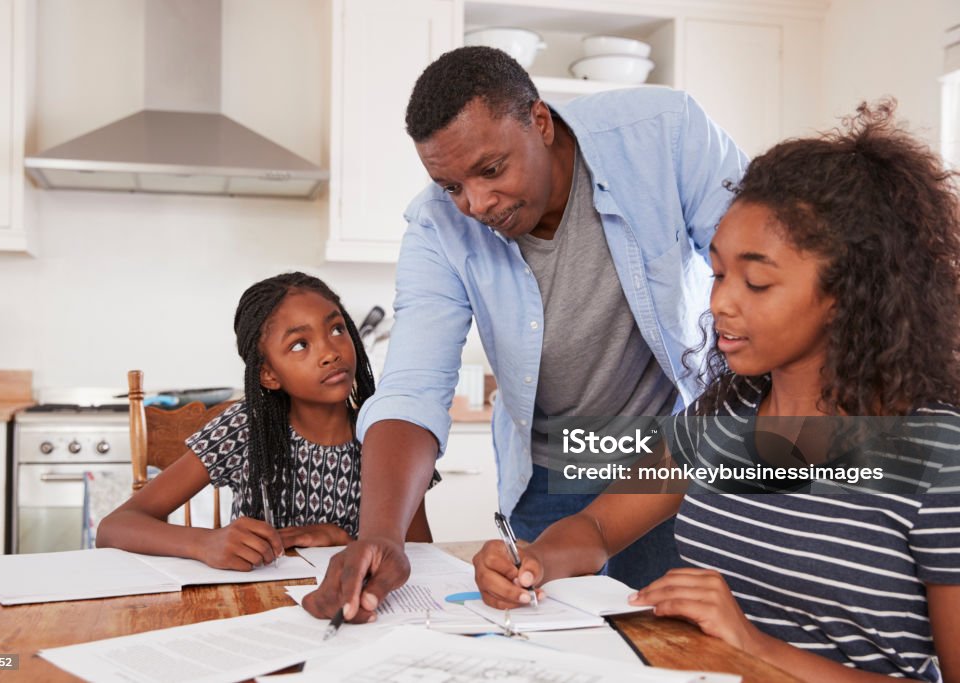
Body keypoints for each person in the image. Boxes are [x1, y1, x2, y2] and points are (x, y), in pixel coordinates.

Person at [472, 102, 960, 682]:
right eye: (720, 272)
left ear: (850, 292)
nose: (721, 302)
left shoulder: (935, 456)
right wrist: (537, 558)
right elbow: (599, 528)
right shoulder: (725, 420)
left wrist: (753, 646)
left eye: (756, 281)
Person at [303, 46, 747, 621]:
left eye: (490, 171)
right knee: (551, 638)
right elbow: (413, 386)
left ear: (539, 122)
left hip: (674, 451)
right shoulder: (436, 225)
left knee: (673, 640)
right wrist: (383, 533)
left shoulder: (663, 135)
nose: (477, 204)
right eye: (451, 186)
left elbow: (763, 267)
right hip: (553, 464)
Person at [96, 272, 436, 569]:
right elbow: (115, 527)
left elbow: (421, 555)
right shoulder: (245, 429)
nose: (331, 352)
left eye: (336, 329)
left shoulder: (388, 432)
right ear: (269, 374)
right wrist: (205, 543)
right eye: (301, 344)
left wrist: (343, 541)